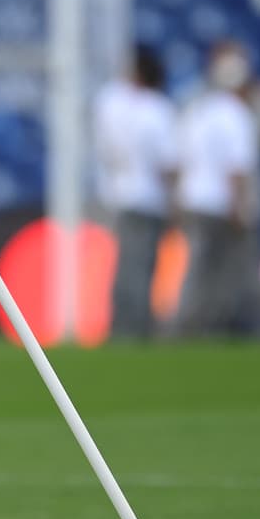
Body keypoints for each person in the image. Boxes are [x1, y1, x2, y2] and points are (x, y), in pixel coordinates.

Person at [172, 40, 260, 337]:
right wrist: (240, 206)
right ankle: (202, 326)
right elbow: (236, 169)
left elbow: (181, 159)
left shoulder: (198, 109)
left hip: (193, 200)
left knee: (199, 269)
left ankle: (192, 326)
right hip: (221, 204)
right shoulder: (236, 115)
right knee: (224, 272)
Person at [92, 44, 179, 339]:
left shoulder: (110, 101)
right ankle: (135, 330)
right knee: (141, 268)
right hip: (148, 197)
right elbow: (167, 165)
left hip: (117, 193)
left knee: (126, 266)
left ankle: (122, 326)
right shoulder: (157, 110)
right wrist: (175, 199)